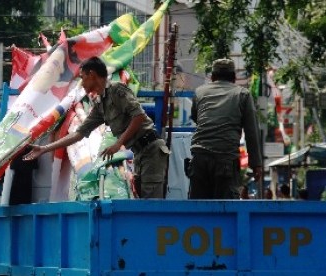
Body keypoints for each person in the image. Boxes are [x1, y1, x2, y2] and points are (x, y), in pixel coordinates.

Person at [23, 57, 170, 198]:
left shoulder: (117, 90)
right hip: (140, 152)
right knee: (141, 196)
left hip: (152, 150)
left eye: (83, 77)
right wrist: (45, 148)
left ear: (92, 74)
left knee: (150, 202)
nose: (82, 83)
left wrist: (118, 144)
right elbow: (79, 134)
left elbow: (139, 116)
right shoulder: (101, 104)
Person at [188, 58, 263, 199]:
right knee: (226, 212)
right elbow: (251, 132)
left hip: (199, 158)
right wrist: (256, 164)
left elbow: (196, 118)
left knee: (197, 211)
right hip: (225, 159)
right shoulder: (243, 94)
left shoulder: (199, 92)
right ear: (234, 77)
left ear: (212, 76)